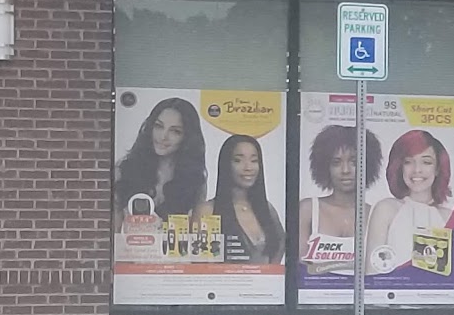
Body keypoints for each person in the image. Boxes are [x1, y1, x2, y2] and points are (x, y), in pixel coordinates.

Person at [366, 129, 454, 274]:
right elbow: (371, 273)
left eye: (426, 162)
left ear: (438, 168)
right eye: (408, 162)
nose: (417, 170)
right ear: (399, 167)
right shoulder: (386, 209)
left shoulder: (448, 217)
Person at [299, 123, 382, 275]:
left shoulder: (376, 215)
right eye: (336, 163)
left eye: (354, 162)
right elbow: (299, 270)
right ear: (325, 166)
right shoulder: (308, 209)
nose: (345, 170)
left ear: (368, 165)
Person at [116, 97, 206, 225]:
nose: (163, 136)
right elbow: (113, 228)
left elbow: (195, 230)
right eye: (159, 126)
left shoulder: (194, 181)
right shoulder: (124, 170)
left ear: (187, 137)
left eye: (175, 131)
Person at [201, 134, 285, 265]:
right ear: (226, 165)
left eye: (254, 160)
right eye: (238, 160)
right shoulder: (207, 211)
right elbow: (202, 267)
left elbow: (279, 246)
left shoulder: (267, 209)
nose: (248, 167)